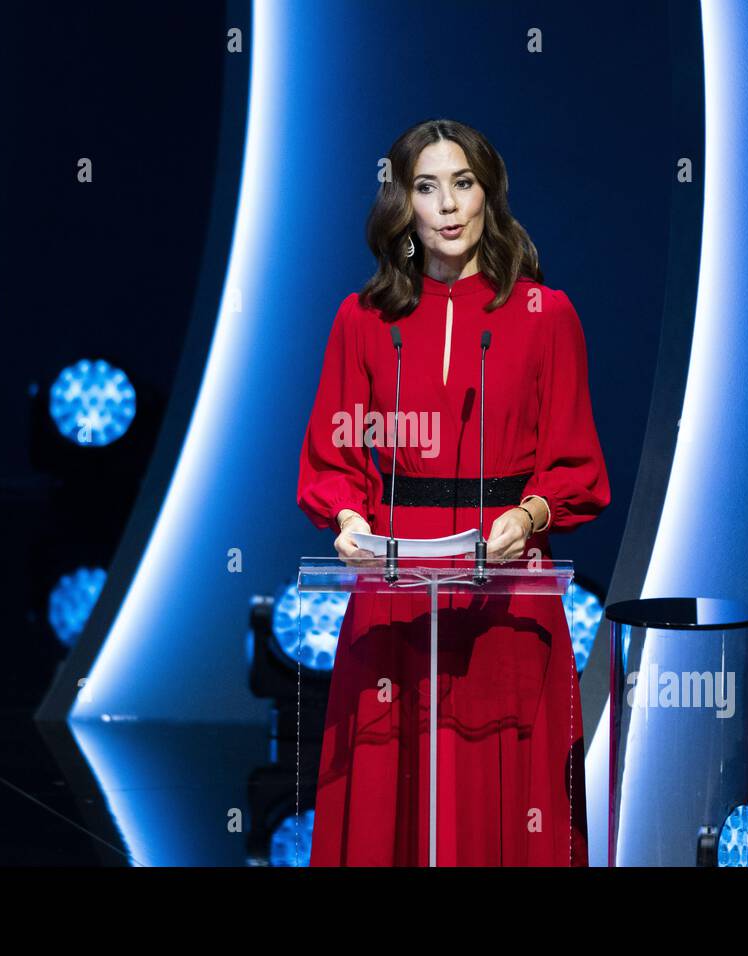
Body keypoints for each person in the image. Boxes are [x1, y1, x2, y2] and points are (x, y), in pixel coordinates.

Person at [296, 118, 610, 866]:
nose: (446, 205)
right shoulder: (364, 319)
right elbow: (331, 455)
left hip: (505, 587)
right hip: (395, 583)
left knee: (500, 797)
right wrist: (346, 518)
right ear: (402, 203)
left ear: (487, 196)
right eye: (426, 186)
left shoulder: (546, 314)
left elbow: (577, 467)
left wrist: (530, 514)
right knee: (391, 794)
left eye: (462, 184)